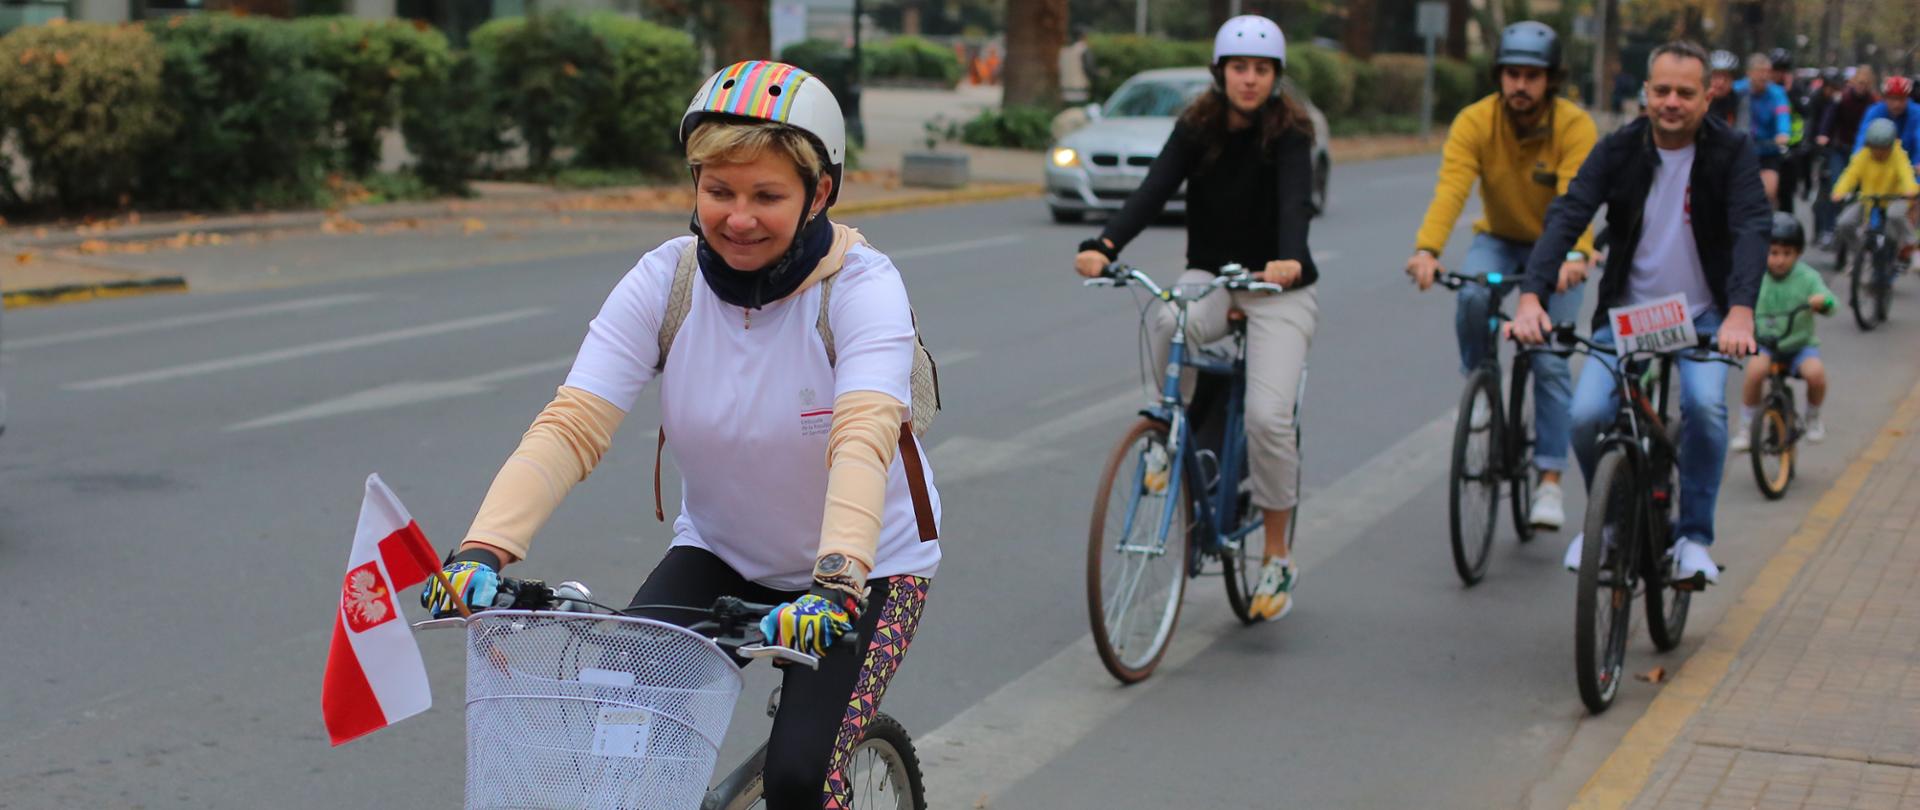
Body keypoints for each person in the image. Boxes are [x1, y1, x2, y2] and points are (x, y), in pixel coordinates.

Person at [420, 60, 942, 809]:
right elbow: (572, 424)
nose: (737, 217)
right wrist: (482, 549)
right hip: (721, 549)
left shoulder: (863, 288)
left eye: (767, 195)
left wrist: (834, 585)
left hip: (867, 570)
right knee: (622, 736)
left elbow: (861, 438)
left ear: (820, 192)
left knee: (800, 779)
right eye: (718, 191)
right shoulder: (668, 281)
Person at [1073, 14, 1318, 621]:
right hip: (1212, 275)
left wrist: (1287, 260)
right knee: (1164, 319)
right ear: (1221, 73)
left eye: (1262, 70)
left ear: (1275, 77)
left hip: (1277, 287)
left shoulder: (1291, 133)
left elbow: (1295, 201)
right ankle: (1165, 434)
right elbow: (1154, 188)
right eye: (1240, 68)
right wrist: (1106, 245)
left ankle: (1278, 554)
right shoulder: (1198, 126)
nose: (1250, 80)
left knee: (1266, 417)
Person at [1510, 41, 1769, 588]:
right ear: (1645, 93)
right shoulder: (1619, 149)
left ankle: (1694, 537)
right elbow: (1568, 213)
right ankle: (1609, 521)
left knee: (1704, 405)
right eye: (1662, 90)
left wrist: (1740, 312)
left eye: (1685, 92)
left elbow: (1751, 227)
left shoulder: (1734, 151)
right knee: (1585, 417)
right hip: (1628, 317)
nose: (1672, 102)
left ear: (1707, 96)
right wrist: (1532, 295)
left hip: (1704, 317)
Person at [1404, 20, 1597, 531]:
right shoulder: (1475, 121)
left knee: (1551, 360)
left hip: (1555, 249)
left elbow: (1576, 199)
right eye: (1512, 74)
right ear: (1499, 76)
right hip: (1499, 238)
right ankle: (1482, 378)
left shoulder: (1573, 126)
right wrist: (1427, 249)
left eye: (1532, 76)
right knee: (1470, 294)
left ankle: (1550, 480)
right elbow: (1452, 188)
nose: (1520, 86)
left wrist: (1576, 256)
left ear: (1550, 80)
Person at [1731, 213, 1835, 451]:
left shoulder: (1808, 277)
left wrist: (1822, 301)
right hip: (1766, 343)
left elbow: (1831, 303)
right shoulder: (1755, 277)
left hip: (1800, 344)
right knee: (1755, 372)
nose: (1779, 260)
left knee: (1816, 374)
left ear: (1798, 254)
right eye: (1773, 253)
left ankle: (1813, 416)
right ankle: (1747, 426)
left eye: (1787, 254)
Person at [1830, 118, 1920, 269]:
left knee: (1895, 215)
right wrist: (1839, 191)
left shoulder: (1898, 155)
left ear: (1890, 146)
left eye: (1883, 149)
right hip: (1868, 198)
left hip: (1894, 198)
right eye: (1875, 148)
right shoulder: (1863, 156)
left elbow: (1906, 173)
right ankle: (1859, 254)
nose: (1879, 153)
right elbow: (1850, 174)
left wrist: (1911, 189)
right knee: (1844, 222)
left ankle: (1911, 244)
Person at [1813, 66, 1874, 247]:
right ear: (1853, 82)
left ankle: (1862, 227)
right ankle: (1829, 230)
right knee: (1836, 188)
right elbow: (1829, 117)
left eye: (1866, 83)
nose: (1862, 86)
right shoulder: (1842, 98)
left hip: (1863, 152)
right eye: (1859, 82)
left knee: (1864, 191)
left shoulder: (1873, 103)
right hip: (1841, 149)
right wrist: (1824, 134)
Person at [1734, 52, 1793, 204]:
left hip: (1768, 152)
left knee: (1769, 191)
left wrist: (1783, 133)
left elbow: (1783, 114)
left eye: (1767, 71)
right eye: (1759, 71)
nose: (1764, 76)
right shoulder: (1738, 90)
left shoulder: (1777, 93)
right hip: (1741, 151)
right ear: (1749, 73)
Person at [1769, 49, 1811, 213]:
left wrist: (1790, 92)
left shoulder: (1796, 88)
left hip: (1792, 144)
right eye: (1776, 70)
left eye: (1782, 70)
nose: (1778, 74)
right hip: (1769, 144)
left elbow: (1806, 111)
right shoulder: (1767, 90)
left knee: (1786, 193)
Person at [1854, 76, 1920, 164]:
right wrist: (1857, 159)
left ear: (1908, 98)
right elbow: (1863, 136)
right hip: (1881, 166)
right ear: (1885, 98)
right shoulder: (1875, 111)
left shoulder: (1916, 113)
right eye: (1892, 98)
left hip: (1909, 165)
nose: (1897, 104)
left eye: (1901, 99)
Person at [1060, 24, 1094, 104]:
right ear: (1083, 36)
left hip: (1065, 91)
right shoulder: (1083, 49)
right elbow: (1089, 69)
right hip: (1080, 91)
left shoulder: (1063, 50)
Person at [1707, 50, 1742, 127]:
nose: (1721, 82)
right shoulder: (1699, 101)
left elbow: (1743, 129)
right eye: (1716, 76)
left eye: (1726, 77)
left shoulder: (1738, 101)